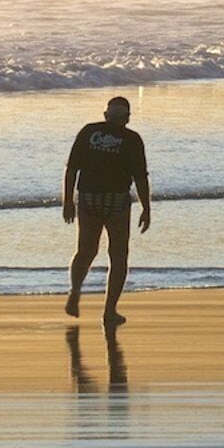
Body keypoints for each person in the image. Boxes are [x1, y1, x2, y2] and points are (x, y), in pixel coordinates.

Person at [63, 96, 154, 325]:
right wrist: (146, 208)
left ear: (106, 115)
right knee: (118, 255)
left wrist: (68, 201)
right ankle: (109, 310)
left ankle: (75, 290)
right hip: (116, 200)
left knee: (85, 250)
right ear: (127, 118)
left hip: (88, 198)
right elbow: (140, 177)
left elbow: (72, 169)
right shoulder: (132, 139)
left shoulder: (88, 132)